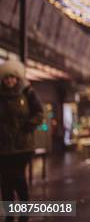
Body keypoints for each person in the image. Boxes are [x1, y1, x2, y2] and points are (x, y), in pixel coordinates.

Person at [0, 60, 43, 220]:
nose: (9, 81)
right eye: (6, 78)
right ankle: (9, 216)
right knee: (5, 182)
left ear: (17, 79)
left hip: (22, 146)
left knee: (18, 178)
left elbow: (39, 112)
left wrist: (28, 126)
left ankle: (24, 214)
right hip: (3, 147)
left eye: (12, 78)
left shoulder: (27, 92)